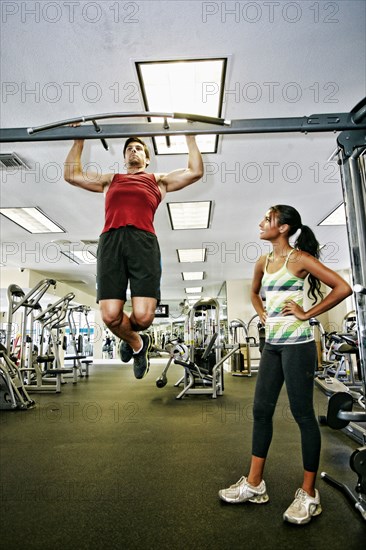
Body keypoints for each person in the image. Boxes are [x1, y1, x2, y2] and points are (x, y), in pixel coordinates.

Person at [219, 204, 353, 525]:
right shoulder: (263, 261)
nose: (261, 222)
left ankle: (309, 494)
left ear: (284, 228)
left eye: (268, 218)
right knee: (261, 412)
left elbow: (342, 288)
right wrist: (261, 311)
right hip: (273, 346)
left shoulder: (301, 259)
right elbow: (254, 292)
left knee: (303, 415)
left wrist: (307, 314)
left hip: (299, 346)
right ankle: (254, 485)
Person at [64, 134, 203, 379]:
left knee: (144, 316)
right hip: (111, 241)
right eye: (129, 149)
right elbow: (72, 175)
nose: (133, 151)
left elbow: (195, 171)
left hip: (144, 242)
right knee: (109, 315)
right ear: (125, 156)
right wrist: (78, 142)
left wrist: (190, 137)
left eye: (139, 149)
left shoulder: (158, 181)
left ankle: (133, 336)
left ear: (147, 159)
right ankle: (139, 345)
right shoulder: (111, 180)